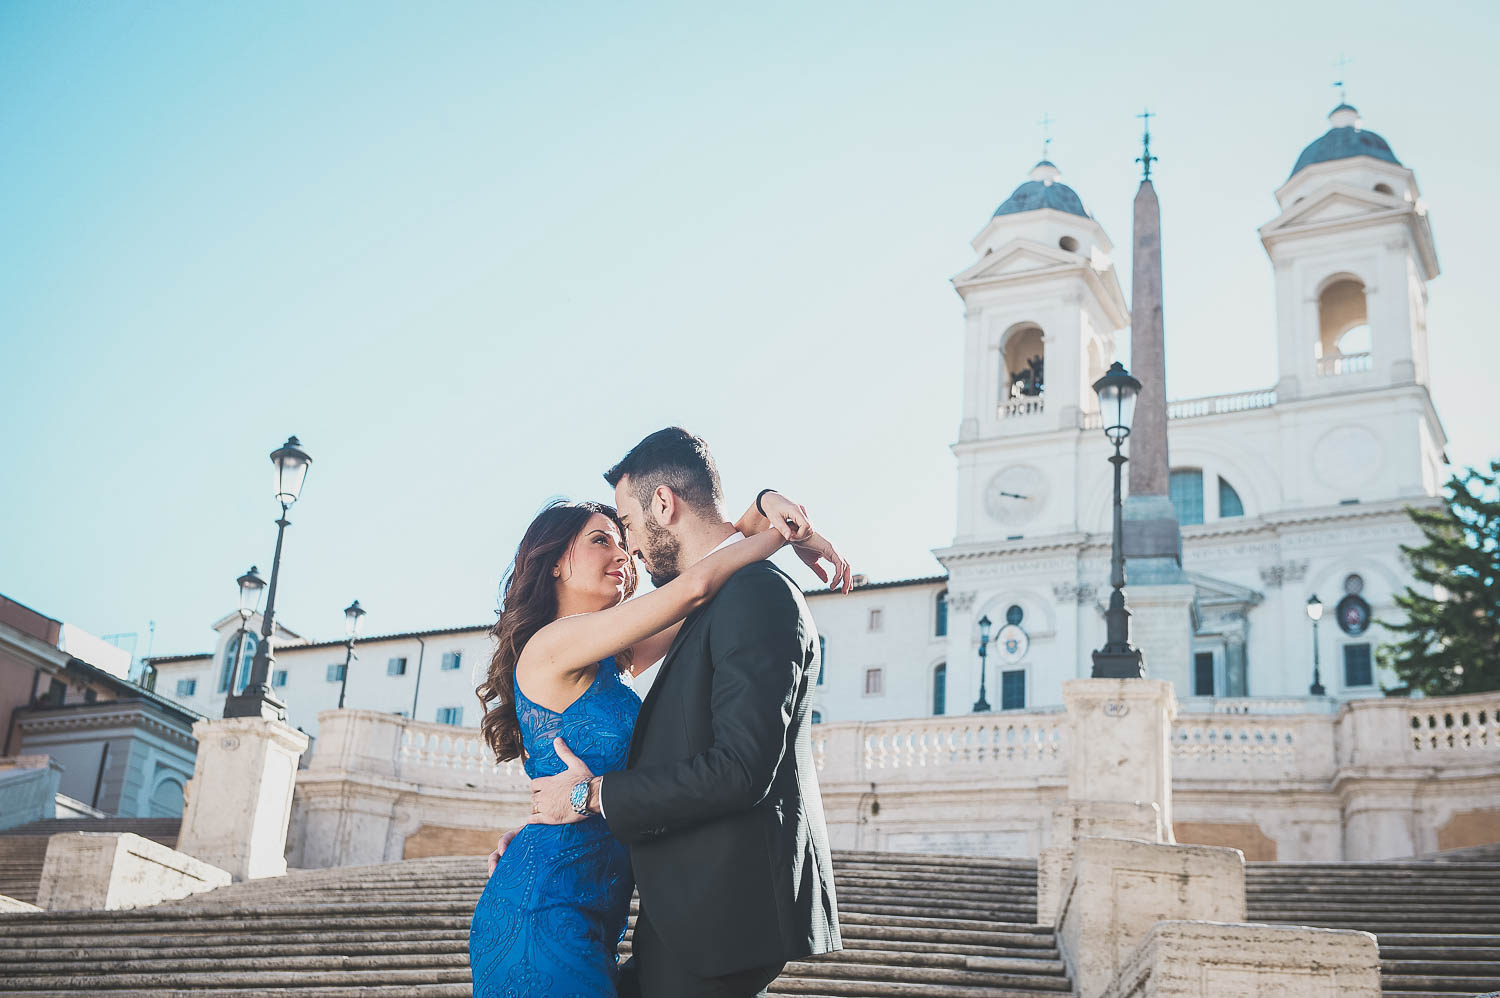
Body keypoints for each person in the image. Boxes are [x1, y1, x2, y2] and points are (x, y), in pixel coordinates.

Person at [469, 441, 847, 997]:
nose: (623, 553)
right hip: (545, 907)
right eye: (602, 538)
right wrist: (782, 532)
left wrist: (757, 510)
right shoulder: (553, 644)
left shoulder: (609, 653)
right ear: (554, 561)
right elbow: (694, 586)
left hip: (594, 910)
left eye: (624, 539)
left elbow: (704, 593)